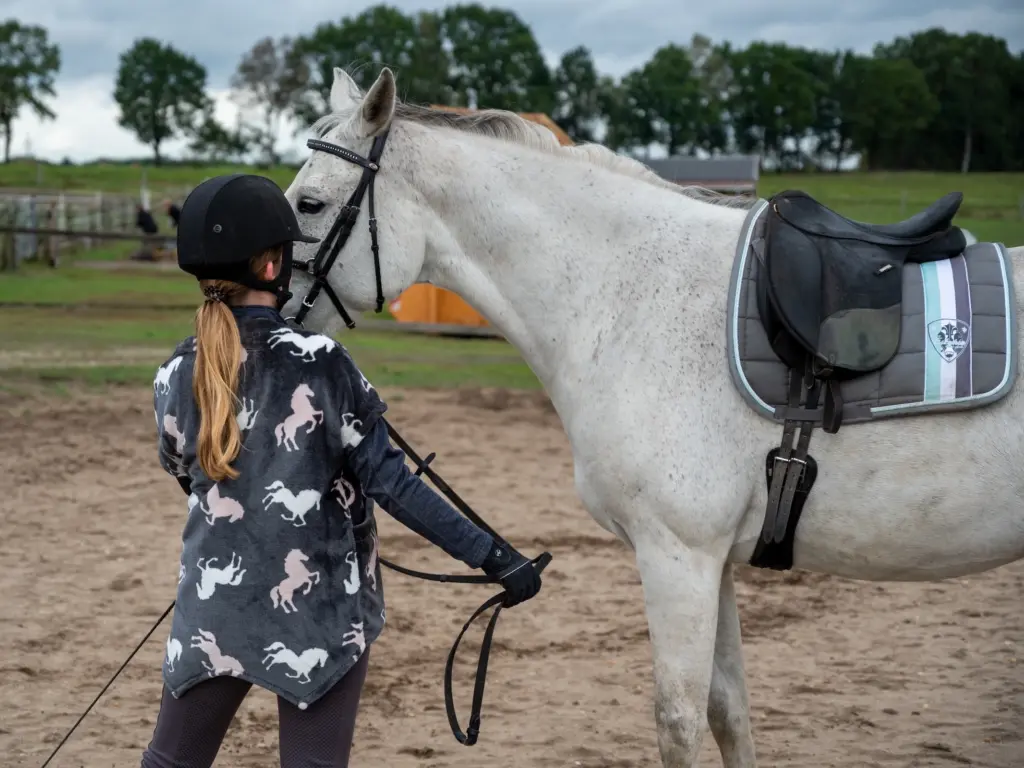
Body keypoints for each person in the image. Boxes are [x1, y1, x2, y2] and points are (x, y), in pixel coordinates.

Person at [144, 173, 541, 768]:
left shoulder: (177, 371)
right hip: (318, 615)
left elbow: (183, 468)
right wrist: (495, 558)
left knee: (170, 762)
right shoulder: (321, 362)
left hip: (212, 605)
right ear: (274, 266)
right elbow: (394, 484)